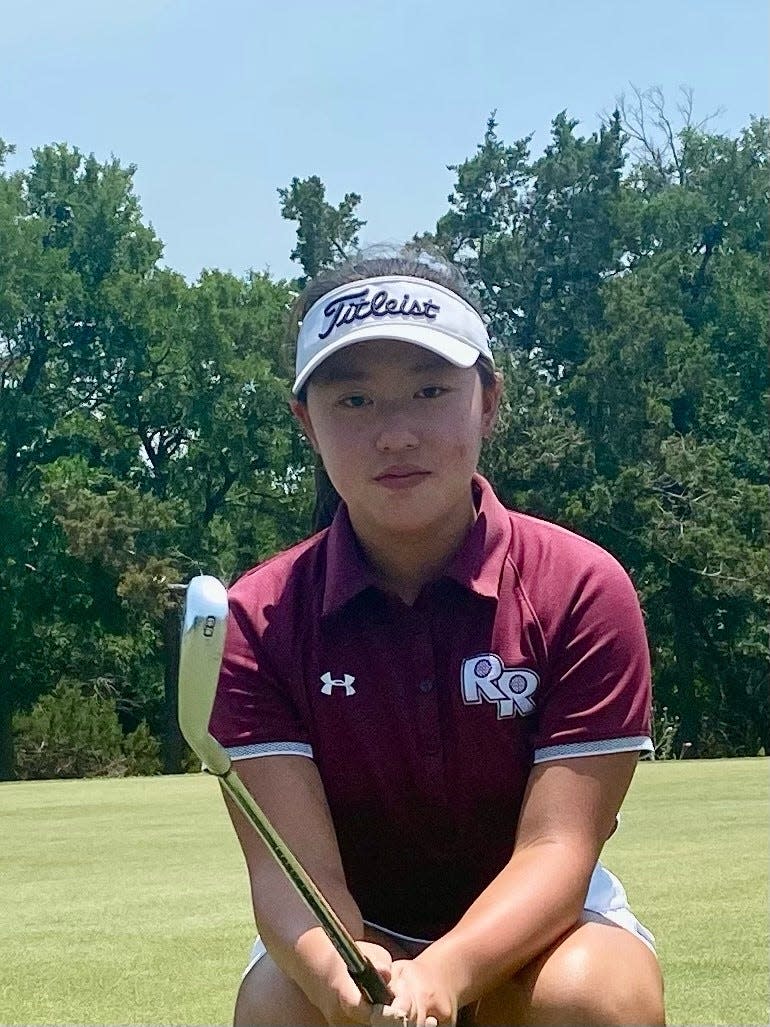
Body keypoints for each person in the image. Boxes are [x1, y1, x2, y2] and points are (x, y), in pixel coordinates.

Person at [209, 249, 666, 1027]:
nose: (395, 434)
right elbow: (295, 876)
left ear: (488, 401)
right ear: (304, 423)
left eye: (430, 391)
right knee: (278, 1005)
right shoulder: (258, 614)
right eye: (353, 400)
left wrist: (445, 974)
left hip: (544, 929)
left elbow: (558, 852)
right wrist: (339, 974)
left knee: (591, 997)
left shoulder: (583, 586)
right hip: (356, 932)